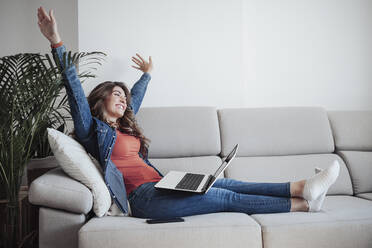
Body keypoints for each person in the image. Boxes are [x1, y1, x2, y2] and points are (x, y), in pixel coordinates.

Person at [37, 7, 340, 219]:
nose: (123, 99)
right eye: (115, 94)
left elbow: (136, 99)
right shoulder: (93, 131)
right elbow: (74, 90)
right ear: (101, 100)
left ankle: (302, 188)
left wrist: (147, 75)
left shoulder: (125, 128)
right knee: (226, 198)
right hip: (144, 199)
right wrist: (56, 42)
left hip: (164, 182)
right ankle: (305, 205)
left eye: (124, 96)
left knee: (228, 183)